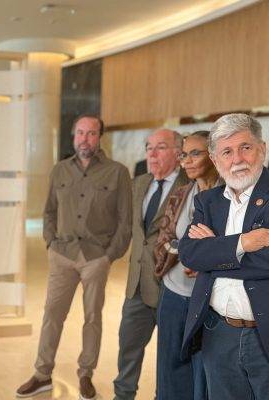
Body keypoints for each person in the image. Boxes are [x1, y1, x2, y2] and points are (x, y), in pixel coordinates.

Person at [16, 115, 132, 399]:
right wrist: (50, 243)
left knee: (92, 317)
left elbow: (125, 221)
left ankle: (86, 374)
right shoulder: (60, 170)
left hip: (96, 257)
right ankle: (42, 374)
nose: (85, 139)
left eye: (91, 133)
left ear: (99, 137)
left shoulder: (117, 172)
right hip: (62, 255)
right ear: (73, 136)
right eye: (80, 133)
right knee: (52, 314)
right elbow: (49, 211)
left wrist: (109, 256)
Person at [179, 113, 269, 399]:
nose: (237, 159)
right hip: (218, 332)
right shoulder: (208, 201)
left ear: (262, 148)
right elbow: (190, 254)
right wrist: (243, 242)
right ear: (215, 160)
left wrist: (214, 253)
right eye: (227, 152)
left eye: (246, 147)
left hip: (264, 333)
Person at [113, 128, 188, 400]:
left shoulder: (190, 185)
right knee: (128, 348)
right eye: (149, 148)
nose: (152, 154)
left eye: (161, 147)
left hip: (172, 286)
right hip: (136, 286)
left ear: (178, 153)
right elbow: (129, 228)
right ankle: (123, 396)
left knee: (170, 355)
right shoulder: (139, 183)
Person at [154, 131, 220, 400]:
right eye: (183, 155)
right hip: (173, 293)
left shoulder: (230, 196)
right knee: (169, 367)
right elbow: (164, 239)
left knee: (202, 372)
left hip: (208, 300)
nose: (187, 161)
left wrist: (205, 263)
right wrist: (185, 253)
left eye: (195, 153)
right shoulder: (180, 194)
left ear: (213, 156)